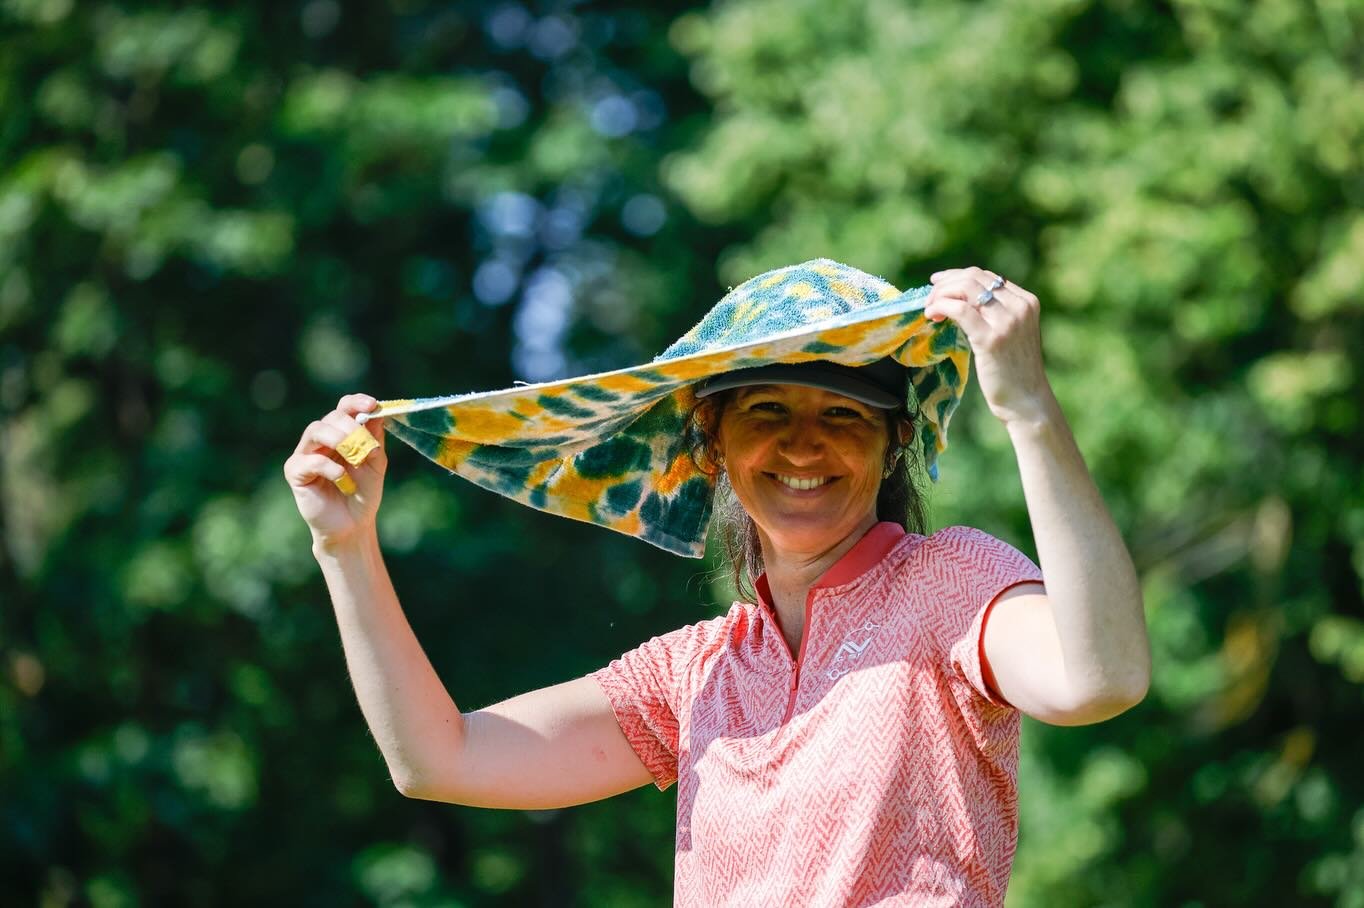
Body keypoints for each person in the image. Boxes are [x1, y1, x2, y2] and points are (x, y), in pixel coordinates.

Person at [283, 263, 1151, 907]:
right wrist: (346, 547)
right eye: (767, 410)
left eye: (843, 413)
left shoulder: (951, 583)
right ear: (713, 443)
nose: (804, 444)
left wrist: (1029, 408)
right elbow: (440, 759)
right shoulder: (693, 673)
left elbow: (1101, 677)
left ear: (893, 442)